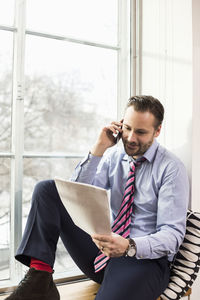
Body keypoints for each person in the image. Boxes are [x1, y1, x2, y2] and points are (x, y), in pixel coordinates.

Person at [6, 95, 189, 300]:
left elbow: (172, 236)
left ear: (157, 131)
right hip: (104, 252)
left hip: (144, 261)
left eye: (140, 132)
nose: (130, 138)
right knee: (47, 190)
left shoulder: (171, 169)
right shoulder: (114, 156)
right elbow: (74, 195)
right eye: (127, 128)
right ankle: (39, 280)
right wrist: (99, 148)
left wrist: (129, 246)